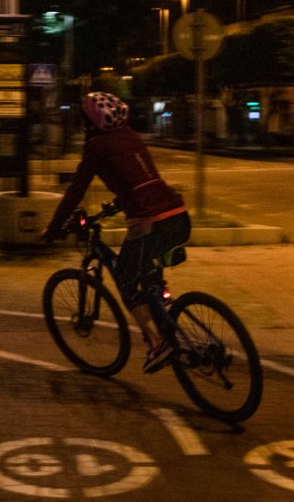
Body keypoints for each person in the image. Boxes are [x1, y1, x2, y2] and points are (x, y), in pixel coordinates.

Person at [43, 91, 190, 373]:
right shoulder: (132, 136)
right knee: (147, 278)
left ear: (89, 122)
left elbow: (76, 190)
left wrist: (53, 229)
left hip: (150, 221)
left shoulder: (97, 146)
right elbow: (143, 181)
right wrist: (119, 204)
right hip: (178, 217)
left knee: (125, 278)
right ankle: (168, 324)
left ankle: (157, 343)